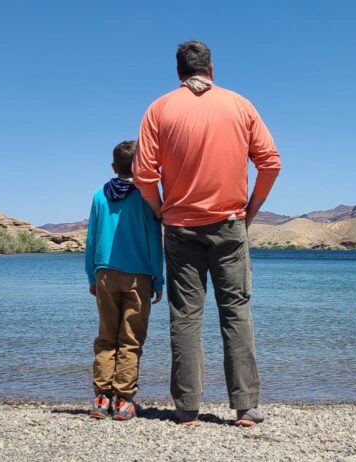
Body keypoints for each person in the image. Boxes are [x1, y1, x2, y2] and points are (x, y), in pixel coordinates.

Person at [133, 40, 281, 427]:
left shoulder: (159, 108)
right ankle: (246, 407)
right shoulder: (240, 105)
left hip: (180, 226)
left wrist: (160, 211)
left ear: (179, 72)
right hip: (230, 223)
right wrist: (250, 211)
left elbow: (144, 175)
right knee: (235, 314)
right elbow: (271, 164)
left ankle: (186, 409)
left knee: (185, 317)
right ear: (211, 70)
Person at [84, 140, 164, 420]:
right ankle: (124, 401)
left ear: (113, 166)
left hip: (105, 273)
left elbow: (91, 238)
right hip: (138, 276)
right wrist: (158, 278)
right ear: (141, 165)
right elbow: (154, 239)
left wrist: (91, 274)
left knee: (106, 335)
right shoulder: (147, 196)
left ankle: (101, 399)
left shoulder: (98, 196)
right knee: (130, 340)